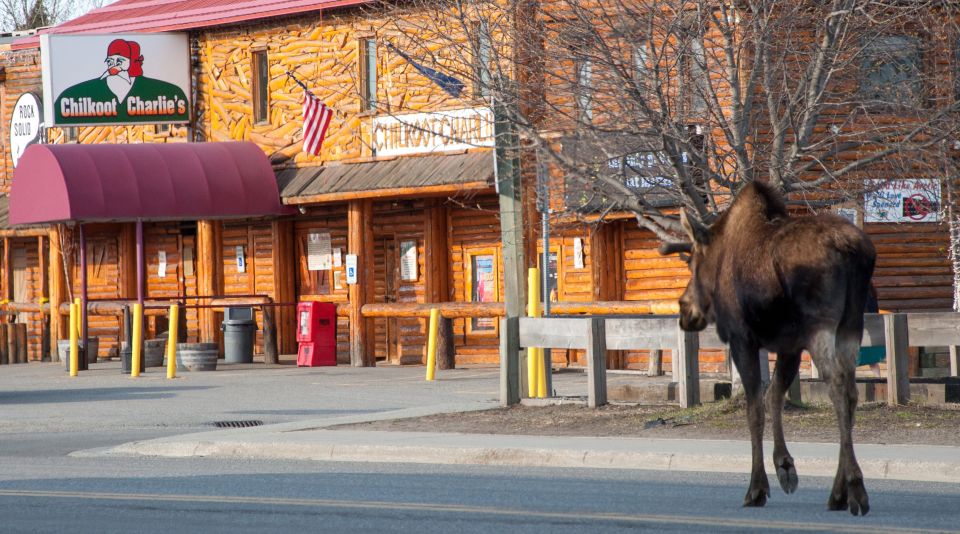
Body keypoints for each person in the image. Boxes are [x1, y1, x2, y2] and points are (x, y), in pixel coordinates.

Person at [54, 38, 189, 124]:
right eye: (110, 61)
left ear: (130, 63)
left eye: (120, 61)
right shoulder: (75, 93)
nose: (114, 66)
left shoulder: (169, 91)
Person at [857, 284, 884, 377]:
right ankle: (879, 379)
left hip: (865, 326)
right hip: (873, 327)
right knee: (872, 361)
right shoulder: (871, 291)